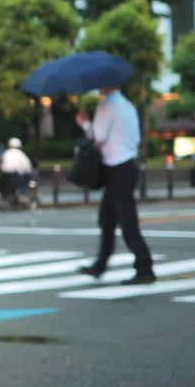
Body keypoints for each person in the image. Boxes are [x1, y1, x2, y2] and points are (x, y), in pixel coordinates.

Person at [77, 86, 155, 285]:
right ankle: (100, 265)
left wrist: (85, 124)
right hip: (127, 165)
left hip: (117, 167)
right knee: (108, 219)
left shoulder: (107, 106)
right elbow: (136, 138)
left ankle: (144, 268)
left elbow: (98, 137)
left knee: (126, 222)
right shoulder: (127, 105)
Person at [0, 137, 33, 208]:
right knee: (26, 181)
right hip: (17, 178)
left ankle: (7, 197)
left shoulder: (5, 153)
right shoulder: (21, 154)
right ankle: (23, 196)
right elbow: (28, 168)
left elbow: (1, 166)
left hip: (6, 178)